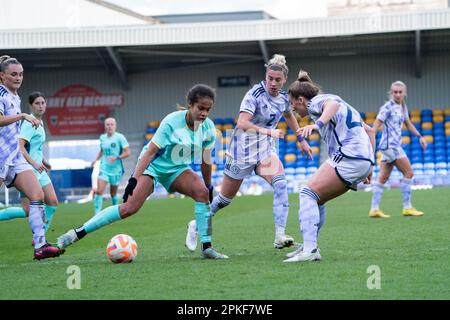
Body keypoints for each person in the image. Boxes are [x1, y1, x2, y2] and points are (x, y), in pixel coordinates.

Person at [56, 84, 228, 259]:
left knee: (202, 193)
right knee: (128, 209)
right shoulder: (171, 122)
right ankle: (77, 233)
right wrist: (133, 179)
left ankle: (206, 247)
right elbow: (150, 152)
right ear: (190, 105)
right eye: (201, 108)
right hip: (152, 166)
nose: (204, 113)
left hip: (177, 168)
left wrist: (208, 185)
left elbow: (206, 160)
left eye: (208, 109)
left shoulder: (208, 129)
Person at [185, 54, 312, 252]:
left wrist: (302, 140)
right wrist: (269, 131)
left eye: (277, 80)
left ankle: (280, 235)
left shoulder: (284, 98)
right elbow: (242, 123)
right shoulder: (254, 94)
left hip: (265, 151)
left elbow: (289, 116)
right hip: (241, 151)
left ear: (284, 79)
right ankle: (196, 225)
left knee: (280, 184)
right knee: (225, 200)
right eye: (270, 78)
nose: (273, 83)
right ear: (266, 75)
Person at [283, 70, 375, 262]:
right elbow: (370, 130)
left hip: (350, 155)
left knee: (307, 193)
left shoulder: (318, 101)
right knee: (316, 199)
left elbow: (332, 105)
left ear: (301, 99)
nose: (294, 110)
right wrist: (371, 166)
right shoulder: (343, 104)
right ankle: (310, 246)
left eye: (292, 105)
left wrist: (317, 124)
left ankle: (310, 250)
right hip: (362, 158)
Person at [0, 55, 62, 260]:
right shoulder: (1, 94)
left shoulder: (14, 96)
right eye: (13, 74)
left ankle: (41, 245)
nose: (18, 78)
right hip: (1, 158)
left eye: (20, 74)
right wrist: (22, 116)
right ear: (2, 76)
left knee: (38, 196)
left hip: (15, 158)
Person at [0, 92, 59, 234]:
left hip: (39, 169)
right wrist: (34, 163)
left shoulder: (40, 122)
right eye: (37, 103)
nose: (40, 106)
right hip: (28, 169)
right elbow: (20, 147)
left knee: (52, 202)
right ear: (30, 106)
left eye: (42, 103)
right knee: (27, 210)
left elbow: (34, 147)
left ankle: (40, 235)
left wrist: (43, 161)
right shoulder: (28, 122)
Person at [369, 81, 427, 218]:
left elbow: (408, 123)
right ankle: (407, 207)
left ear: (404, 93)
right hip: (391, 146)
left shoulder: (402, 107)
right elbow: (377, 123)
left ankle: (374, 209)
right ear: (391, 93)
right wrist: (369, 140)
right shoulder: (387, 107)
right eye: (395, 92)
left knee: (383, 177)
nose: (398, 94)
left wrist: (420, 136)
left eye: (400, 92)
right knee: (409, 173)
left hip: (391, 146)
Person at [91, 117, 130, 215]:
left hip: (116, 170)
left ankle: (114, 214)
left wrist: (117, 157)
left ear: (115, 126)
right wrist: (96, 160)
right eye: (107, 124)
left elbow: (128, 152)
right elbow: (101, 150)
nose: (109, 126)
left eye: (111, 124)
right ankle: (97, 215)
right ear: (104, 126)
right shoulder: (102, 137)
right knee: (99, 191)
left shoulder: (120, 137)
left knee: (113, 193)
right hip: (104, 167)